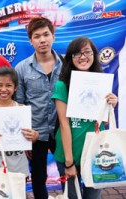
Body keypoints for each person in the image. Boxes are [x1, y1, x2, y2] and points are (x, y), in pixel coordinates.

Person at [52, 37, 118, 199]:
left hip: (96, 154)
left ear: (94, 55)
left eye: (87, 52)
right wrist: (69, 162)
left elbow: (103, 123)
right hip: (69, 154)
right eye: (77, 53)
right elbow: (64, 124)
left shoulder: (101, 83)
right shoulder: (62, 85)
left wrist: (111, 105)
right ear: (70, 58)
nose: (83, 57)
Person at [15, 16, 63, 199]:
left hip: (62, 131)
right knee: (38, 178)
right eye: (37, 36)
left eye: (46, 34)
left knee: (67, 173)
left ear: (53, 36)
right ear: (31, 40)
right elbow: (19, 105)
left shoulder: (66, 65)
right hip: (35, 134)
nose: (42, 40)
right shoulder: (21, 69)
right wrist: (24, 140)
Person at [0, 66, 39, 176]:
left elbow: (30, 135)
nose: (4, 90)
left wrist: (34, 136)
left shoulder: (22, 109)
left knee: (18, 193)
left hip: (18, 167)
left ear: (15, 87)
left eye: (9, 85)